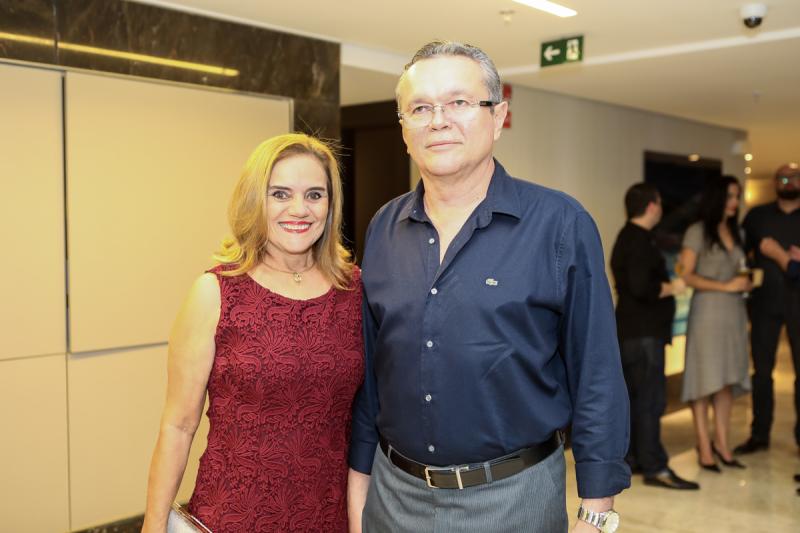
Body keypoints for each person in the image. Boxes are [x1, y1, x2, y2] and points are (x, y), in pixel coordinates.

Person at [348, 41, 630, 533]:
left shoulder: (560, 224)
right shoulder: (383, 228)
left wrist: (597, 512)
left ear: (498, 117)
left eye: (458, 102)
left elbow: (597, 374)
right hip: (394, 496)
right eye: (420, 108)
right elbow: (373, 372)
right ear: (404, 129)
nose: (438, 121)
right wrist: (360, 485)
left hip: (513, 498)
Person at [142, 133, 363, 533]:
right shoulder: (215, 293)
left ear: (331, 205)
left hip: (328, 518)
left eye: (315, 195)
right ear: (254, 201)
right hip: (232, 516)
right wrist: (154, 525)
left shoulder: (355, 291)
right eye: (280, 194)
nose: (300, 209)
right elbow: (178, 425)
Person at [610, 183, 698, 490]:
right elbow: (640, 287)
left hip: (633, 332)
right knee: (649, 401)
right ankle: (655, 466)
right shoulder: (637, 241)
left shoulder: (631, 237)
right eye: (659, 203)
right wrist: (673, 287)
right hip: (643, 334)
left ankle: (635, 458)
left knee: (637, 400)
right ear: (651, 206)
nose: (661, 208)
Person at [678, 176, 751, 472]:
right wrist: (725, 286)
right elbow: (685, 275)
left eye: (737, 196)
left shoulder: (738, 231)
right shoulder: (697, 231)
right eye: (730, 196)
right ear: (717, 197)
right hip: (707, 313)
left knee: (726, 381)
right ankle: (704, 447)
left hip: (734, 314)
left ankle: (723, 444)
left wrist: (743, 284)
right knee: (704, 380)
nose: (735, 202)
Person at [735, 163, 800, 455]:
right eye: (783, 177)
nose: (788, 182)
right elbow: (741, 255)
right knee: (761, 372)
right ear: (775, 182)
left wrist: (780, 255)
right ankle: (759, 434)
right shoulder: (757, 216)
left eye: (794, 177)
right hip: (764, 304)